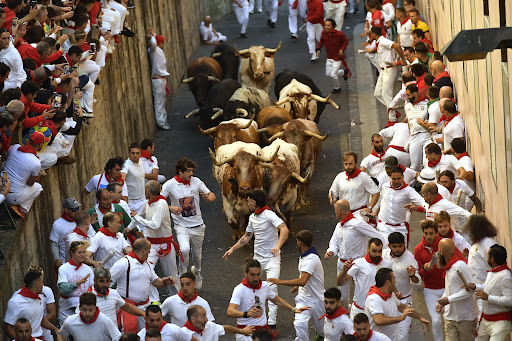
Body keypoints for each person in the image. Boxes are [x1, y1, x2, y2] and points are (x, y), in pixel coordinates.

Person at [223, 189, 288, 327]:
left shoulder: (269, 214)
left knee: (272, 288)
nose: (247, 202)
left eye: (248, 200)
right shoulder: (252, 217)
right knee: (251, 287)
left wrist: (277, 246)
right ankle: (253, 317)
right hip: (257, 259)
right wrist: (232, 249)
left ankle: (271, 323)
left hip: (272, 258)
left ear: (254, 202)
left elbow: (284, 229)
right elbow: (247, 236)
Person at [161, 158, 216, 289]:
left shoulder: (196, 182)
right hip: (181, 226)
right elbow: (159, 200)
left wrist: (210, 198)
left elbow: (211, 194)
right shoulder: (169, 185)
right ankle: (182, 276)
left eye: (192, 171)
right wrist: (170, 208)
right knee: (184, 249)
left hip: (198, 226)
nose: (191, 174)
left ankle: (197, 273)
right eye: (188, 171)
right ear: (180, 172)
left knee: (197, 255)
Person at [227, 259, 308, 339]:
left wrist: (293, 309)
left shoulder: (265, 286)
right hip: (246, 331)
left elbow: (277, 300)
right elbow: (230, 311)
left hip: (263, 332)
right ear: (245, 273)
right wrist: (246, 314)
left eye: (258, 274)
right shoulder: (240, 289)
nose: (256, 278)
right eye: (252, 275)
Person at [325, 200, 384, 306]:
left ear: (339, 211)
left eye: (335, 211)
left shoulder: (358, 224)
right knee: (342, 297)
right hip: (343, 265)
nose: (335, 213)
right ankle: (347, 318)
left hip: (359, 264)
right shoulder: (339, 226)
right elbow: (334, 243)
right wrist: (331, 251)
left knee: (362, 293)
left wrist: (378, 252)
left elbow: (378, 237)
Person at [268, 230, 325, 340]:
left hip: (317, 299)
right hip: (303, 299)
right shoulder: (304, 256)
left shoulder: (311, 259)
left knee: (322, 330)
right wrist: (297, 286)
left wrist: (280, 282)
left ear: (299, 243)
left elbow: (303, 280)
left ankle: (320, 336)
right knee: (299, 324)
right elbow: (305, 278)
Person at [110, 238, 175, 332]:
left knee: (148, 334)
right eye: (148, 252)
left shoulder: (147, 264)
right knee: (130, 336)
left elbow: (156, 282)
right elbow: (107, 280)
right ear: (143, 251)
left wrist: (165, 282)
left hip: (145, 308)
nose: (149, 255)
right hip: (128, 309)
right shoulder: (124, 263)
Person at [129, 180, 180, 297]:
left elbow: (154, 225)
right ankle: (154, 299)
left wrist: (136, 217)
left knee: (172, 274)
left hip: (165, 244)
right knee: (146, 272)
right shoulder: (147, 203)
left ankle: (176, 299)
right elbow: (138, 217)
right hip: (151, 246)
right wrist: (127, 228)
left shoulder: (161, 204)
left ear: (148, 191)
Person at [365, 268, 430, 340]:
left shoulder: (391, 294)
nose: (395, 282)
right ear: (387, 282)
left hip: (394, 337)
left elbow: (403, 308)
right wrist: (401, 318)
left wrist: (420, 317)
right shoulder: (374, 298)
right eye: (393, 279)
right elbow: (379, 320)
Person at [466, 244, 512, 341]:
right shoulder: (492, 272)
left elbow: (510, 300)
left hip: (500, 323)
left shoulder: (506, 276)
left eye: (488, 256)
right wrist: (475, 287)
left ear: (492, 259)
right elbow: (488, 288)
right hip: (486, 321)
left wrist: (488, 297)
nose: (487, 258)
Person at [436, 238, 479, 341]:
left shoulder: (460, 266)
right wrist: (443, 301)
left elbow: (470, 290)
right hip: (450, 317)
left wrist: (449, 300)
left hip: (465, 318)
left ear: (441, 252)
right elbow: (450, 288)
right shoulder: (449, 267)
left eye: (439, 249)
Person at [337, 238, 390, 319]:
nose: (377, 254)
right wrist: (344, 271)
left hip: (378, 312)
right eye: (374, 251)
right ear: (368, 249)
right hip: (359, 310)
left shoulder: (387, 265)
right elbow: (340, 283)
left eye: (380, 251)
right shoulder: (358, 263)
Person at [382, 233, 422, 340]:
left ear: (404, 244)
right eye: (394, 247)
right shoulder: (383, 255)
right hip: (386, 301)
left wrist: (412, 275)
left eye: (400, 246)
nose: (398, 249)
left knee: (402, 336)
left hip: (404, 302)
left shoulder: (410, 259)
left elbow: (418, 283)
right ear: (389, 246)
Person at [413, 220, 445, 341]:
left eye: (431, 233)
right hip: (430, 290)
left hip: (447, 288)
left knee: (450, 319)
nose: (428, 236)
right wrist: (424, 269)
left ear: (436, 233)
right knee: (436, 321)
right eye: (426, 233)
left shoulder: (443, 244)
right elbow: (418, 273)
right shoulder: (418, 249)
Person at [4, 269, 59, 340]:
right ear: (37, 285)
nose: (43, 285)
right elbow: (8, 327)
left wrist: (55, 329)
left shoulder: (39, 298)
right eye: (42, 282)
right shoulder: (15, 302)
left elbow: (40, 319)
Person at [375, 166, 425, 244]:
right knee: (385, 251)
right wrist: (375, 212)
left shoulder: (409, 191)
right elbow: (382, 201)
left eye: (399, 178)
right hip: (384, 227)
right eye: (394, 179)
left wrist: (419, 208)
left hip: (400, 228)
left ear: (403, 177)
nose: (396, 181)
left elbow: (422, 202)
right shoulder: (385, 186)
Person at [3, 132, 46, 218]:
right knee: (38, 187)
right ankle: (22, 208)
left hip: (1, 188)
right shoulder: (36, 162)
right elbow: (30, 183)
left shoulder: (15, 147)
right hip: (11, 197)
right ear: (40, 144)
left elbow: (5, 158)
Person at [329, 151, 380, 218]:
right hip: (345, 214)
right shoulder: (340, 177)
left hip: (360, 214)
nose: (348, 167)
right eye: (346, 164)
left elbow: (376, 192)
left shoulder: (363, 176)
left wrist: (369, 208)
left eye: (350, 164)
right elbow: (332, 192)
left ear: (356, 163)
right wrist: (332, 198)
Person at [407, 182, 471, 233]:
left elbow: (465, 213)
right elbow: (430, 211)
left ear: (428, 194)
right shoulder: (429, 203)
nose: (423, 197)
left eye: (423, 194)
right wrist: (417, 209)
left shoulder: (446, 205)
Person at [57, 241, 95, 325]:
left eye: (84, 252)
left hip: (83, 310)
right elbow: (63, 290)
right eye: (79, 252)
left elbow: (92, 289)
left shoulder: (88, 269)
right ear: (72, 253)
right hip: (67, 309)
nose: (82, 255)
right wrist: (77, 284)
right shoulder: (63, 268)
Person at [57, 292, 122, 341]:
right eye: (84, 310)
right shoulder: (70, 321)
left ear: (95, 308)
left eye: (90, 310)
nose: (87, 313)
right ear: (79, 308)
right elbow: (61, 335)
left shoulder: (105, 321)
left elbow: (118, 338)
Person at [368, 26, 406, 109]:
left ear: (374, 34)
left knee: (386, 95)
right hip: (383, 71)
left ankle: (392, 118)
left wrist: (403, 59)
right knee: (377, 93)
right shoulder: (380, 42)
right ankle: (393, 109)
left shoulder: (383, 41)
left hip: (389, 69)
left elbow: (396, 46)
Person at [50, 198, 93, 265]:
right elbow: (54, 244)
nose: (77, 211)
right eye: (74, 209)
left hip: (85, 262)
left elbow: (93, 238)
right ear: (66, 210)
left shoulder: (82, 220)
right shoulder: (57, 224)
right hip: (66, 262)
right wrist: (57, 259)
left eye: (78, 208)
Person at [182, 305, 254, 340]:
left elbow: (225, 329)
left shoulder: (209, 326)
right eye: (203, 316)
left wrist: (242, 331)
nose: (206, 320)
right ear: (193, 319)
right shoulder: (183, 335)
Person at [316, 19, 348, 93]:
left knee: (333, 75)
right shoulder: (323, 33)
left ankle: (337, 88)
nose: (326, 27)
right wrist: (318, 48)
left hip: (338, 58)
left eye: (328, 25)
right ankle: (343, 72)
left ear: (333, 26)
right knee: (328, 74)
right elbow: (321, 41)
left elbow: (345, 42)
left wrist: (341, 49)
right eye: (325, 25)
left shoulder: (339, 34)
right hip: (329, 57)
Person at [147, 30, 170, 130]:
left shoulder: (158, 51)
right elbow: (153, 43)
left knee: (162, 101)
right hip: (158, 80)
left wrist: (154, 35)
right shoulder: (153, 50)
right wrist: (153, 36)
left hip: (162, 79)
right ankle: (161, 122)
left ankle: (163, 120)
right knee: (159, 102)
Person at [403, 84, 429, 171]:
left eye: (408, 95)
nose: (407, 97)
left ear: (415, 93)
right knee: (414, 166)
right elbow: (409, 122)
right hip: (414, 136)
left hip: (426, 136)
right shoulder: (407, 107)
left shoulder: (426, 104)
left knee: (427, 163)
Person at [466, 215, 498, 286]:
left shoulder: (488, 242)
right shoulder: (476, 243)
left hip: (488, 286)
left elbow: (497, 265)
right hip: (478, 287)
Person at [122, 143, 147, 217]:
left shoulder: (142, 162)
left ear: (140, 154)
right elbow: (122, 178)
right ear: (129, 153)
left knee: (144, 226)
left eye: (137, 153)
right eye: (133, 153)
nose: (135, 156)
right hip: (131, 202)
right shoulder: (126, 165)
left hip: (143, 200)